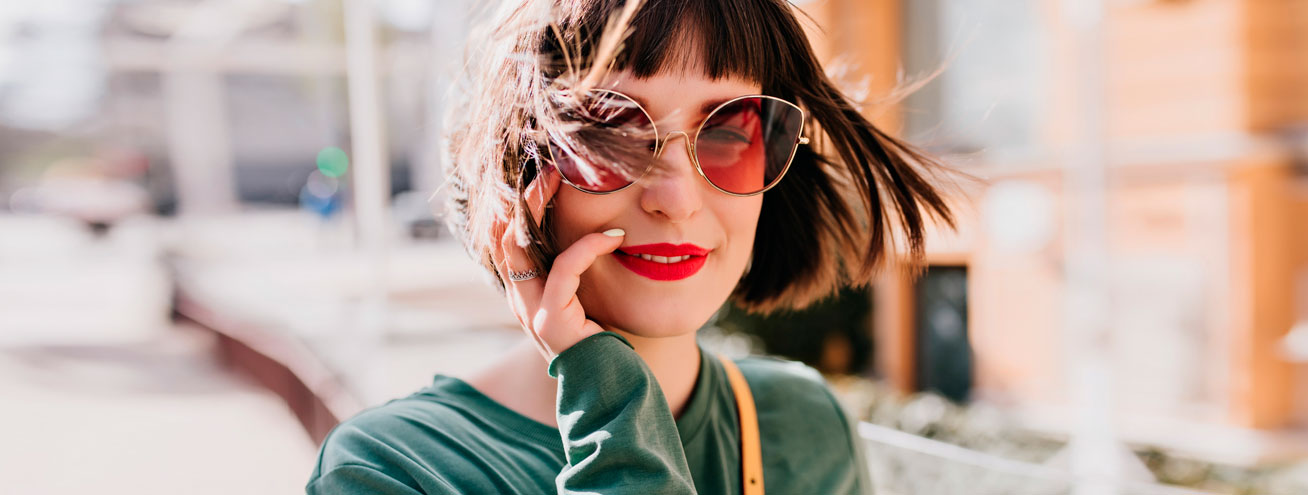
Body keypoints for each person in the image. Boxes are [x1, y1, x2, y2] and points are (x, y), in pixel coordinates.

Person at [307, 0, 953, 493]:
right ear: (520, 171)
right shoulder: (396, 469)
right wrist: (606, 395)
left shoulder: (805, 427)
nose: (676, 197)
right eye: (611, 130)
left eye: (730, 129)